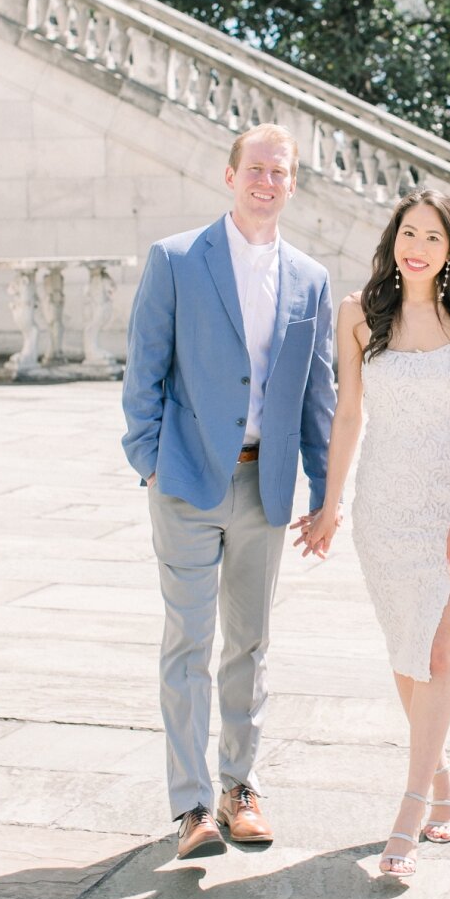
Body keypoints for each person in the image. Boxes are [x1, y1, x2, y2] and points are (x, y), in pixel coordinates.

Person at [122, 123, 336, 861]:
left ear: (292, 183)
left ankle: (239, 788)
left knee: (249, 642)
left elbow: (319, 397)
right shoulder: (177, 259)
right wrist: (148, 458)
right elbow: (143, 368)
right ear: (229, 174)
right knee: (188, 642)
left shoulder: (310, 279)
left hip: (264, 487)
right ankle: (191, 809)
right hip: (184, 479)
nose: (266, 182)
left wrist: (325, 491)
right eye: (255, 169)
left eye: (280, 172)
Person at [293, 188, 450, 880]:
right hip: (383, 507)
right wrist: (329, 503)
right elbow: (348, 416)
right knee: (408, 657)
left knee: (438, 653)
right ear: (393, 240)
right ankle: (442, 780)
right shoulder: (356, 315)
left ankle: (408, 808)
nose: (417, 246)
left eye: (433, 237)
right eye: (409, 232)